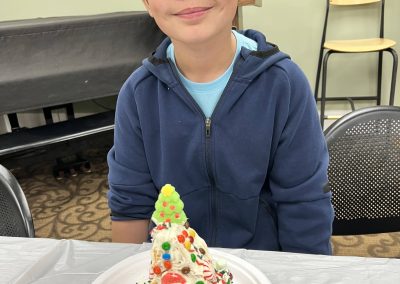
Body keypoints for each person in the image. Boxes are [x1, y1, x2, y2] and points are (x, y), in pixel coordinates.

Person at [107, 0, 334, 254]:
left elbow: (303, 205)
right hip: (174, 266)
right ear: (148, 4)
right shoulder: (138, 95)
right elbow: (130, 207)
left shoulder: (283, 84)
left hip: (262, 265)